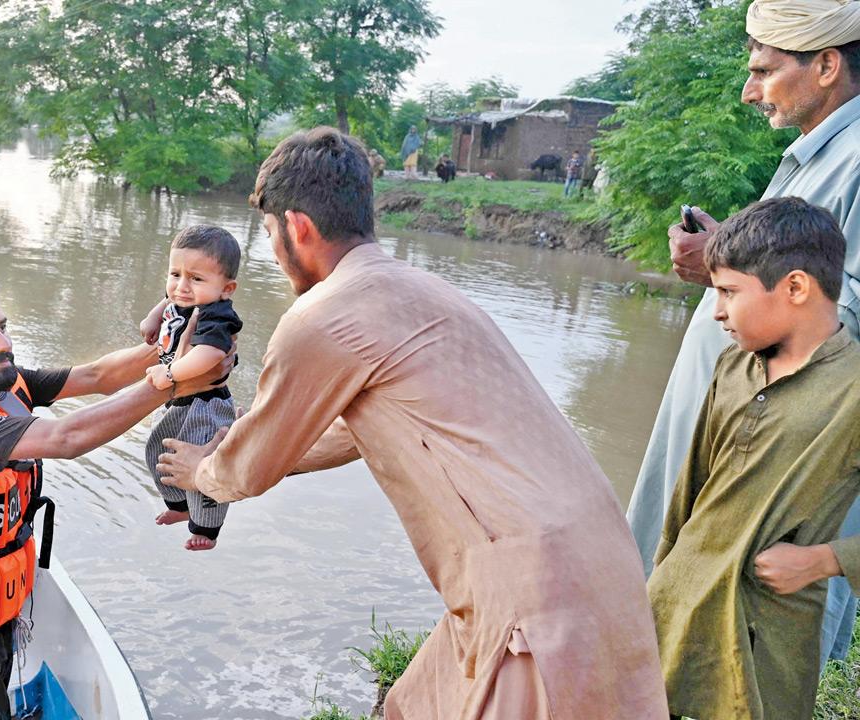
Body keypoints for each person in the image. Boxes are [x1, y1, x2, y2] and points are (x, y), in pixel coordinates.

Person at [154, 127, 668, 718]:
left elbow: (249, 466)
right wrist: (241, 455)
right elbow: (348, 431)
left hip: (532, 591)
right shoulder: (423, 290)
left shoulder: (319, 317)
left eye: (270, 234)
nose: (272, 250)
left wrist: (200, 472)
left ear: (298, 228)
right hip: (594, 554)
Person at [625, 0, 860, 665]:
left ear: (826, 65)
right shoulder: (818, 153)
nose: (748, 91)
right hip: (743, 435)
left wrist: (727, 267)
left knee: (753, 652)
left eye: (763, 71)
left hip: (787, 459)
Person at [0, 272, 229, 720]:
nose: (2, 343)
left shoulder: (1, 384)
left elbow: (98, 375)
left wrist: (180, 347)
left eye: (1, 326)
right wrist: (169, 383)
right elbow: (67, 438)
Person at [650, 197, 860, 719]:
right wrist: (658, 582)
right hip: (676, 602)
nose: (717, 310)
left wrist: (824, 561)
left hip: (763, 630)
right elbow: (689, 491)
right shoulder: (733, 366)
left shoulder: (854, 390)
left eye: (729, 292)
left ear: (794, 288)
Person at [139, 226, 244, 551]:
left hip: (207, 405)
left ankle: (207, 529)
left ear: (226, 288)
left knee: (204, 467)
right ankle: (179, 506)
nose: (182, 286)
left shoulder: (217, 315)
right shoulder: (185, 297)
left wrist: (170, 374)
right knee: (157, 451)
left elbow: (209, 353)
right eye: (175, 274)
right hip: (180, 402)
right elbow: (168, 299)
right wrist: (153, 318)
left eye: (195, 279)